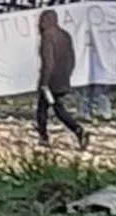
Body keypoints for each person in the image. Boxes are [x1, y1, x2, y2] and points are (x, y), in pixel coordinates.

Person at [36, 9, 89, 149]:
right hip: (63, 77)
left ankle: (45, 136)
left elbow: (49, 61)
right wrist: (67, 74)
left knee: (45, 109)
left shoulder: (48, 36)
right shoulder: (65, 35)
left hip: (51, 79)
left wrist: (44, 82)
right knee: (56, 107)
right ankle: (77, 130)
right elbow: (72, 58)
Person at [79, 0, 115, 121]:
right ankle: (102, 112)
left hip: (95, 56)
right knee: (98, 87)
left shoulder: (105, 16)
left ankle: (88, 112)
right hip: (97, 56)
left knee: (92, 87)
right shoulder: (100, 15)